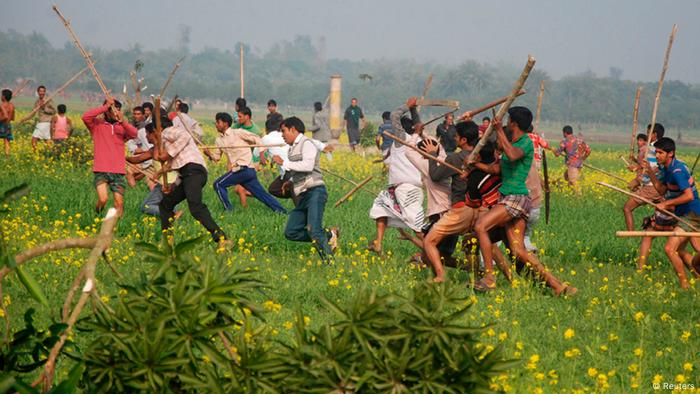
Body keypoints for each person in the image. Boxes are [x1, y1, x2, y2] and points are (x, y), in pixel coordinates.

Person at [471, 107, 576, 295]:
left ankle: (489, 278)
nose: (506, 124)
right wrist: (475, 165)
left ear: (514, 124)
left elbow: (511, 155)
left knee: (480, 226)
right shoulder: (513, 142)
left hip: (516, 199)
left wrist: (499, 131)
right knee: (519, 251)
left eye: (508, 121)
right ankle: (558, 286)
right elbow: (497, 169)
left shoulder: (525, 142)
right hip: (509, 199)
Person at [150, 114, 229, 245]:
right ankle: (167, 241)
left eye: (150, 134)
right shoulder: (167, 141)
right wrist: (172, 185)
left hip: (194, 172)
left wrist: (168, 153)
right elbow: (178, 167)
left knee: (195, 207)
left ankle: (222, 239)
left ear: (155, 129)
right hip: (189, 174)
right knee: (165, 204)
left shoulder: (167, 131)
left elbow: (185, 136)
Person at [272, 116, 339, 261]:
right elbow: (298, 170)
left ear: (293, 129)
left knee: (314, 230)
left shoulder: (307, 144)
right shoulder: (292, 149)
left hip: (315, 191)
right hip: (303, 195)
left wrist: (284, 163)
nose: (282, 135)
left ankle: (331, 264)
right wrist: (290, 181)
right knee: (291, 232)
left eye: (284, 131)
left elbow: (308, 166)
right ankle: (328, 235)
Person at [421, 121, 480, 281]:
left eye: (457, 136)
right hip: (481, 209)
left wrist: (432, 155)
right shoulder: (482, 156)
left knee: (429, 242)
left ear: (463, 141)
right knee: (473, 246)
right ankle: (480, 276)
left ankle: (441, 276)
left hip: (460, 209)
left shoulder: (456, 158)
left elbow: (435, 175)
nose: (454, 139)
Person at [368, 97, 425, 254]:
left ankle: (431, 249)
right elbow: (418, 124)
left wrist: (407, 106)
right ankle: (378, 242)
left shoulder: (405, 140)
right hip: (397, 189)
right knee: (380, 205)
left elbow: (394, 116)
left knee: (416, 224)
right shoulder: (417, 139)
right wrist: (413, 110)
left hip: (408, 189)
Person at [642, 137, 700, 289]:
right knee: (680, 250)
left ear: (670, 153)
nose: (657, 156)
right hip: (684, 213)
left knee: (669, 249)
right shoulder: (667, 169)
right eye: (656, 153)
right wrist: (649, 172)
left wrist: (666, 203)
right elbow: (661, 190)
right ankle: (697, 277)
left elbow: (689, 196)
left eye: (660, 153)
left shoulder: (677, 171)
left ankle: (684, 285)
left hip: (692, 214)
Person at [204, 112, 286, 213]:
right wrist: (208, 154)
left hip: (245, 169)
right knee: (261, 194)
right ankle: (282, 211)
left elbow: (257, 139)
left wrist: (261, 154)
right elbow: (216, 158)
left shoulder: (238, 132)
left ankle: (229, 210)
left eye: (218, 122)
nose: (216, 124)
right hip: (241, 172)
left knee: (218, 184)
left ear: (225, 123)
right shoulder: (218, 140)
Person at [82, 97, 138, 217]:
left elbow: (134, 134)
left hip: (118, 171)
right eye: (112, 110)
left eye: (117, 110)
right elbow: (85, 117)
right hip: (101, 169)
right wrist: (105, 106)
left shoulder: (122, 127)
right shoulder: (97, 125)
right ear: (107, 111)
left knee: (119, 203)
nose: (115, 113)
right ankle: (95, 216)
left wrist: (122, 121)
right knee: (103, 199)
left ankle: (117, 226)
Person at [622, 125, 664, 231]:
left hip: (651, 187)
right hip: (659, 187)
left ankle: (630, 235)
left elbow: (657, 168)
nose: (647, 134)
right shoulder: (660, 147)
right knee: (664, 211)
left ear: (655, 135)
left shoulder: (655, 149)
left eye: (649, 132)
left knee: (627, 208)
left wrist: (641, 170)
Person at [553, 125, 590, 195]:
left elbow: (557, 154)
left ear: (565, 133)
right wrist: (583, 158)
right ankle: (569, 193)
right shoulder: (579, 140)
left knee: (573, 181)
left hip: (572, 164)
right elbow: (588, 150)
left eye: (563, 133)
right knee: (566, 177)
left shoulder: (565, 142)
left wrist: (553, 150)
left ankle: (579, 195)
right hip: (579, 164)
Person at [31, 85, 56, 151]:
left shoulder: (48, 100)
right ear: (38, 92)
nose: (41, 93)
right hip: (41, 122)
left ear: (45, 92)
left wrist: (44, 108)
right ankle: (49, 153)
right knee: (46, 140)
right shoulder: (37, 101)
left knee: (34, 139)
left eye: (43, 91)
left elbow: (54, 111)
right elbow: (33, 111)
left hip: (46, 122)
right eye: (40, 91)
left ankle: (35, 153)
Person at [0, 89, 15, 156]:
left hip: (2, 124)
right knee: (7, 141)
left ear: (3, 97)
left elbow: (5, 116)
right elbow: (13, 118)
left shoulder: (2, 105)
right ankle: (7, 156)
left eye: (1, 95)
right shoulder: (12, 106)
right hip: (8, 125)